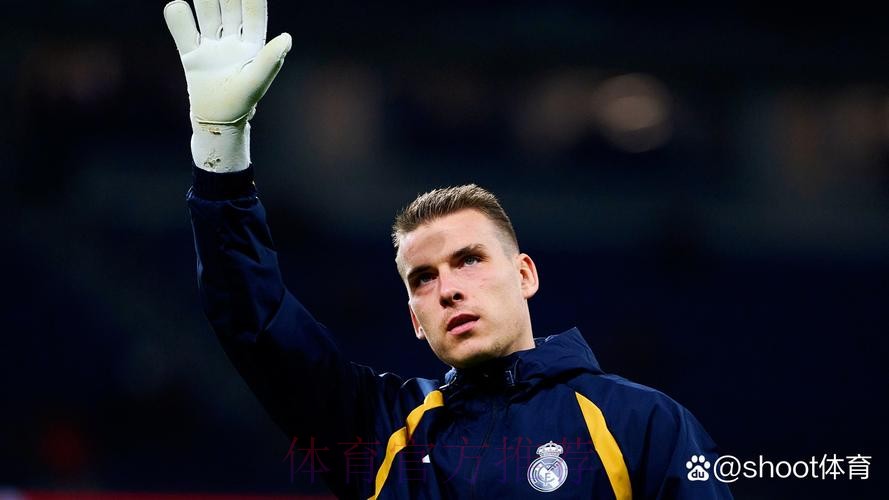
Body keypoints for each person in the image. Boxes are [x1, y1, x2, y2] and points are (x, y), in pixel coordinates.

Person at [164, 1, 733, 498]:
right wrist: (221, 151)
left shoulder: (643, 424)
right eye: (423, 278)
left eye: (469, 260)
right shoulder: (380, 432)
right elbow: (257, 321)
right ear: (415, 319)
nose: (449, 289)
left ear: (525, 275)